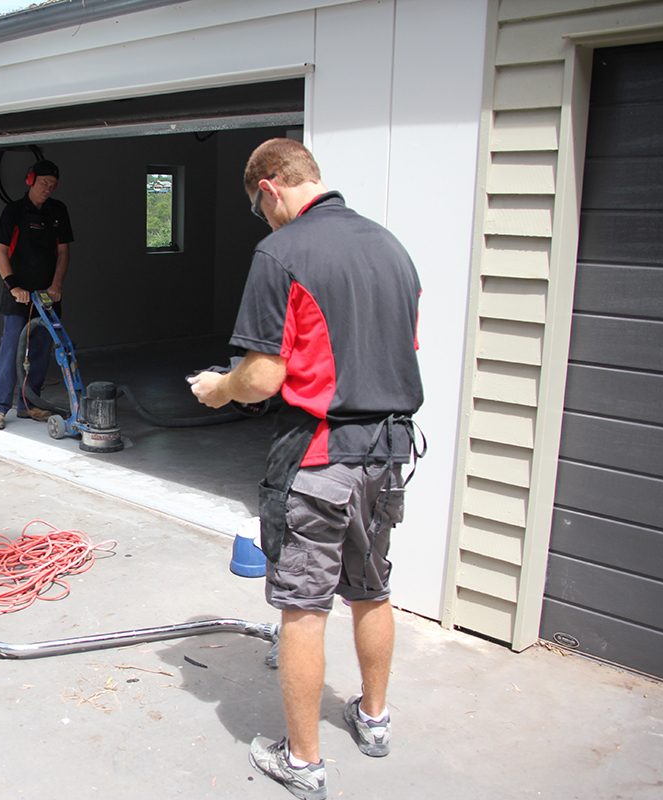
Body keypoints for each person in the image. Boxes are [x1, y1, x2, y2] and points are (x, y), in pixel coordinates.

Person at [189, 138, 423, 800]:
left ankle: (304, 761)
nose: (261, 222)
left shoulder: (282, 254)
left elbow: (262, 377)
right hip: (386, 456)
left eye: (257, 207)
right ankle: (374, 721)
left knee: (304, 609)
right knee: (372, 590)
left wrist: (220, 388)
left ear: (268, 188)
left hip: (320, 459)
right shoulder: (391, 248)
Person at [0, 159, 74, 430]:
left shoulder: (58, 211)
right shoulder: (13, 211)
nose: (48, 188)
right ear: (31, 181)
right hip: (18, 294)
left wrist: (57, 286)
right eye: (43, 182)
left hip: (47, 294)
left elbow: (63, 253)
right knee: (11, 348)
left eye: (52, 184)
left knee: (41, 348)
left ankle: (29, 404)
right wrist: (13, 286)